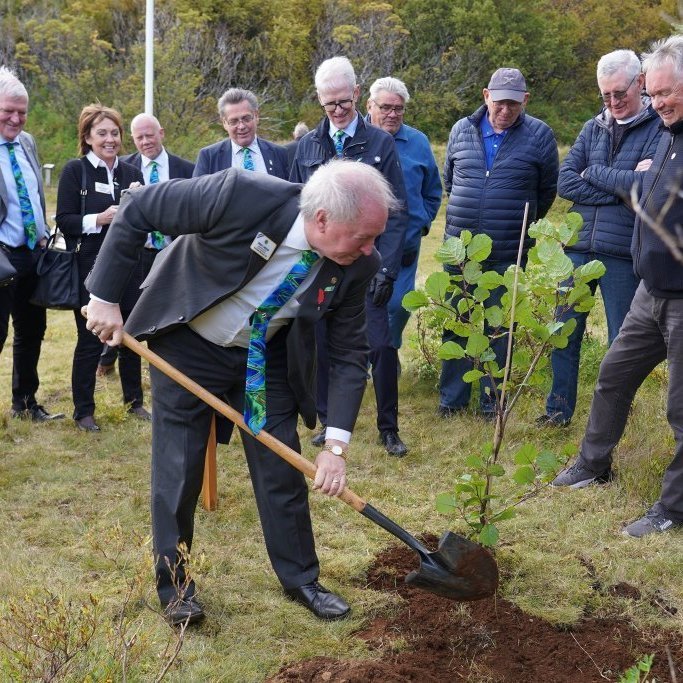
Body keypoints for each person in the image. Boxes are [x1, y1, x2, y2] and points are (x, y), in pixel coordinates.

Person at [84, 160, 399, 625]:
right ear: (322, 219)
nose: (372, 250)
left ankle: (301, 579)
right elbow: (139, 207)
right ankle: (177, 588)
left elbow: (350, 353)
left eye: (376, 237)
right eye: (363, 237)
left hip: (262, 359)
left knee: (280, 463)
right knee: (179, 468)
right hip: (188, 343)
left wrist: (337, 446)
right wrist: (105, 296)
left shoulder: (358, 264)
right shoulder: (241, 195)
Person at [551, 35, 683, 538]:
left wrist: (623, 181)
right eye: (655, 92)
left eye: (667, 92)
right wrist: (628, 180)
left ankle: (674, 506)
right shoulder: (667, 133)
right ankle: (593, 463)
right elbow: (633, 188)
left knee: (680, 407)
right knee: (612, 375)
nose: (659, 102)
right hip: (651, 290)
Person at [290, 56, 410, 457]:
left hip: (366, 262)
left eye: (344, 101)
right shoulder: (307, 146)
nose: (338, 111)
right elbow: (297, 207)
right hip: (323, 264)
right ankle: (330, 422)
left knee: (379, 344)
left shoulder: (380, 143)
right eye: (329, 105)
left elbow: (396, 210)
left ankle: (388, 426)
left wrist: (386, 269)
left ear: (357, 93)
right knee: (324, 343)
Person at [538, 50, 662, 428]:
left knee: (621, 345)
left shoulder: (660, 128)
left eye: (619, 93)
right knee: (563, 334)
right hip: (576, 250)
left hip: (623, 254)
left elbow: (647, 186)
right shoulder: (593, 127)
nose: (612, 102)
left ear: (640, 82)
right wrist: (619, 186)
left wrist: (595, 173)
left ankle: (613, 420)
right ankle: (558, 411)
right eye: (605, 95)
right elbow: (566, 182)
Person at [439, 67, 559, 418]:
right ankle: (452, 400)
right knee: (458, 321)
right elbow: (451, 181)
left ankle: (492, 402)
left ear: (525, 101)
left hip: (508, 248)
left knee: (500, 327)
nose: (505, 110)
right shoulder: (462, 130)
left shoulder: (539, 136)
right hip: (459, 250)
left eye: (513, 104)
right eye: (499, 102)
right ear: (485, 95)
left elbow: (546, 190)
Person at [55, 104, 146, 432]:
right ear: (87, 137)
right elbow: (64, 220)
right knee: (90, 338)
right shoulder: (75, 171)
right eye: (102, 133)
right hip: (89, 264)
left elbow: (145, 219)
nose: (110, 139)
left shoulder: (132, 173)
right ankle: (84, 411)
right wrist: (100, 218)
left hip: (129, 264)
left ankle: (134, 402)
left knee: (131, 333)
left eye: (114, 133)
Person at [97, 113, 195, 376]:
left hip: (173, 251)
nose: (145, 141)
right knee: (130, 310)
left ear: (161, 133)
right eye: (139, 137)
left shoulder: (186, 169)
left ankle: (170, 363)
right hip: (137, 253)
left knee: (169, 309)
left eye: (149, 135)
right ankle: (108, 356)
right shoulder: (123, 168)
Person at [0, 66, 63, 422]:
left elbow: (35, 193)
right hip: (0, 256)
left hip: (33, 255)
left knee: (31, 331)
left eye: (21, 111)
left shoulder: (27, 142)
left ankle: (25, 404)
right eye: (7, 110)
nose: (15, 117)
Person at [366, 77, 442, 349]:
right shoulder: (356, 138)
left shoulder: (418, 142)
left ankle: (389, 349)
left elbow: (433, 191)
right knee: (360, 306)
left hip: (404, 244)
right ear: (369, 105)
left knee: (398, 305)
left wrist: (421, 224)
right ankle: (362, 360)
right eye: (386, 107)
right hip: (362, 245)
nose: (392, 114)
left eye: (398, 108)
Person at [193, 88, 288, 178]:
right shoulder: (209, 157)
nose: (241, 126)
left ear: (256, 116)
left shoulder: (279, 153)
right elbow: (197, 193)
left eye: (246, 119)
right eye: (234, 121)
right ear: (224, 123)